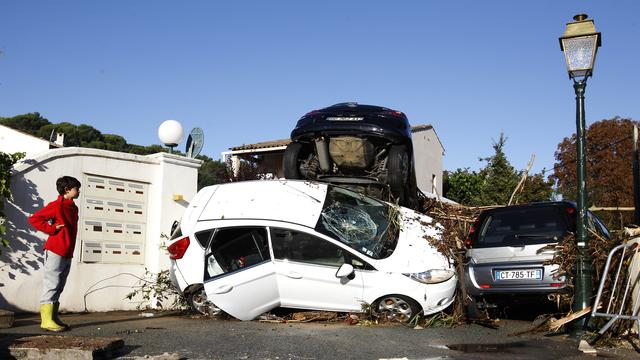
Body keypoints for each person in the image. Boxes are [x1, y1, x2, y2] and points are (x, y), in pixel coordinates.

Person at [28, 176, 81, 332]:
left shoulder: (74, 207)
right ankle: (46, 321)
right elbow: (34, 219)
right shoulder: (56, 206)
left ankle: (53, 317)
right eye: (76, 188)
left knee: (59, 285)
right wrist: (52, 229)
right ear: (67, 190)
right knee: (51, 284)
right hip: (55, 250)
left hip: (67, 251)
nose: (78, 191)